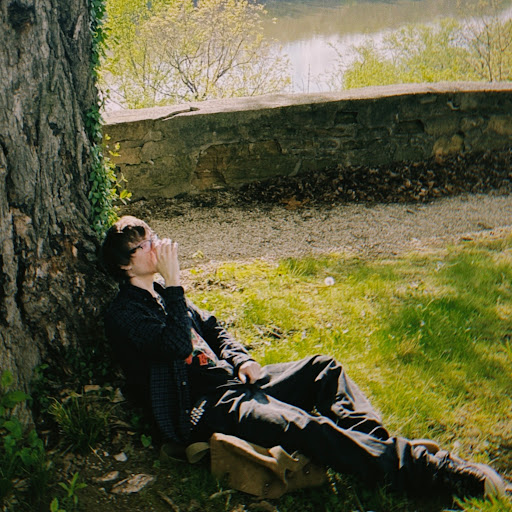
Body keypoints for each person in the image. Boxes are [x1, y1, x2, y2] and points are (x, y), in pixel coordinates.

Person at [100, 215, 507, 501]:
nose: (156, 248)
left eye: (154, 237)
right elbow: (175, 345)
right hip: (205, 407)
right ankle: (433, 471)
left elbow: (213, 327)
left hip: (233, 382)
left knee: (322, 369)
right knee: (304, 427)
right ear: (123, 264)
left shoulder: (163, 293)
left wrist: (241, 359)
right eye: (143, 245)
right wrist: (174, 284)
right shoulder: (124, 313)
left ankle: (374, 451)